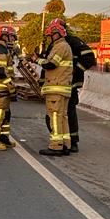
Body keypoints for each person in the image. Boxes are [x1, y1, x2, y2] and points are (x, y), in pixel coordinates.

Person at [32, 18, 73, 156]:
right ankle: (66, 144)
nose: (49, 38)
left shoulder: (60, 46)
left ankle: (56, 146)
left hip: (56, 87)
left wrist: (37, 60)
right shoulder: (64, 46)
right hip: (63, 88)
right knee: (62, 117)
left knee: (54, 116)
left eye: (50, 36)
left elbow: (51, 64)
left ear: (57, 34)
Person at [62, 24, 96, 153]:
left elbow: (89, 58)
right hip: (58, 84)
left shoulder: (73, 42)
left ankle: (73, 141)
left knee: (69, 112)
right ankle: (60, 140)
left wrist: (75, 71)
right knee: (57, 114)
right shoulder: (55, 44)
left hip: (70, 84)